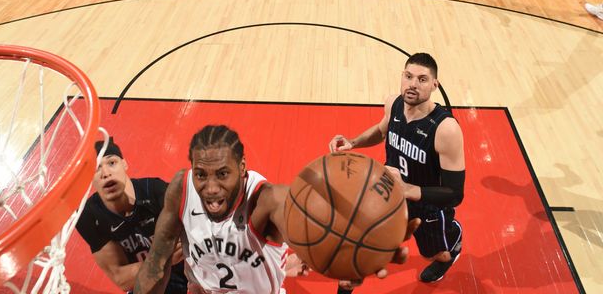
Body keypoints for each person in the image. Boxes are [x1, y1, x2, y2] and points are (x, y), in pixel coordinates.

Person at [134, 125, 419, 294]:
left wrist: (368, 240)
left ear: (242, 168)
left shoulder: (267, 201)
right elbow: (157, 261)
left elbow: (310, 224)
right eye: (201, 175)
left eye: (222, 174)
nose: (210, 188)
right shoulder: (181, 189)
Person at [329, 52, 465, 286]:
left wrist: (408, 189)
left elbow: (455, 194)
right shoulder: (394, 103)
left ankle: (452, 239)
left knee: (434, 254)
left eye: (422, 79)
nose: (413, 84)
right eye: (408, 76)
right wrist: (354, 142)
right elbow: (382, 131)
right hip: (387, 193)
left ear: (435, 85)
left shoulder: (446, 129)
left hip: (427, 206)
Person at [75, 137, 189, 294]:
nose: (105, 173)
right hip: (146, 281)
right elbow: (121, 278)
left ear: (125, 164)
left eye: (112, 163)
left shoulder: (156, 191)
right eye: (96, 169)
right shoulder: (89, 216)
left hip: (186, 272)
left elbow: (197, 238)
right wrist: (160, 260)